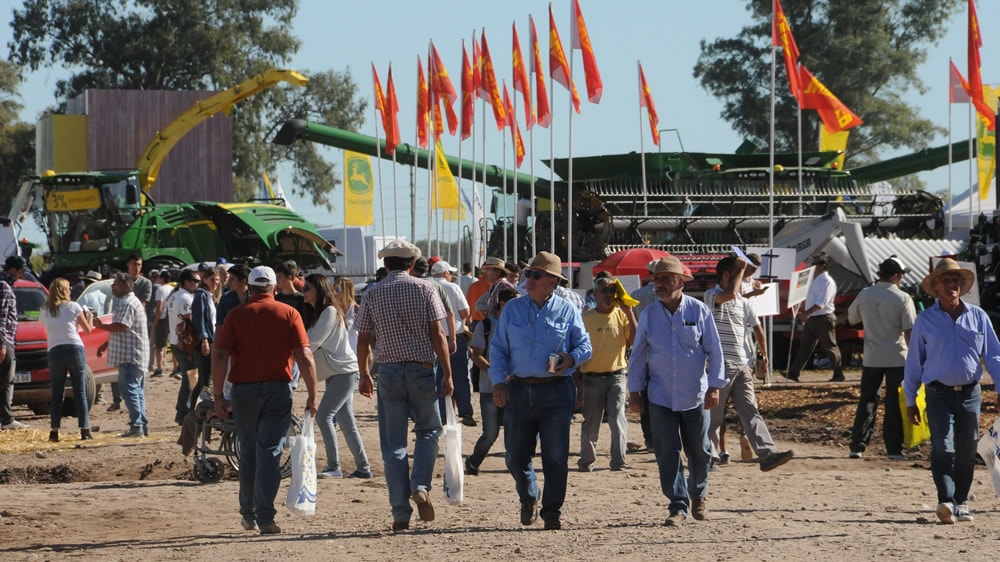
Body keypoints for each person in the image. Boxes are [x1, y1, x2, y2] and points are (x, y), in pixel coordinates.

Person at [489, 251, 592, 531]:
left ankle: (552, 512)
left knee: (556, 456)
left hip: (557, 392)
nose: (529, 279)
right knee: (514, 455)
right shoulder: (512, 309)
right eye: (528, 274)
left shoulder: (568, 310)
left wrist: (571, 359)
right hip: (519, 390)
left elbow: (585, 347)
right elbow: (498, 349)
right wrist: (498, 382)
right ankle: (529, 495)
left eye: (536, 275)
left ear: (553, 282)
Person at [211, 265, 318, 536]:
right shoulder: (289, 313)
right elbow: (304, 357)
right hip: (278, 390)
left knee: (247, 452)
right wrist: (314, 394)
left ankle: (248, 514)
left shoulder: (236, 315)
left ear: (250, 285)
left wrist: (218, 396)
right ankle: (266, 518)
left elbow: (220, 355)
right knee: (270, 452)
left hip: (244, 392)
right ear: (273, 286)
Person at [355, 239, 453, 532]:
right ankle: (420, 485)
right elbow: (438, 333)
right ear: (411, 263)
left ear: (385, 264)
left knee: (393, 444)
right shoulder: (426, 288)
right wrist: (447, 374)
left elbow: (363, 339)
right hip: (422, 368)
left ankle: (400, 512)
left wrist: (364, 373)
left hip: (387, 371)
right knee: (429, 430)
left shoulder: (372, 292)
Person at [627, 256, 724, 527]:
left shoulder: (698, 311)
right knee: (667, 452)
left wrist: (715, 385)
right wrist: (635, 392)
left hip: (695, 395)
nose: (659, 284)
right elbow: (638, 355)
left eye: (665, 279)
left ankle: (699, 494)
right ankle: (677, 505)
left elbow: (714, 350)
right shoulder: (649, 314)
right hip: (660, 396)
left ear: (680, 281)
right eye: (656, 279)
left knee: (700, 451)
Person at [904, 258, 1000, 524]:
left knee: (967, 451)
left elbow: (994, 356)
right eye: (945, 280)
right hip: (937, 394)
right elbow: (914, 363)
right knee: (942, 449)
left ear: (961, 285)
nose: (951, 285)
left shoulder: (979, 317)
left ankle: (962, 501)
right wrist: (911, 400)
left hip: (971, 393)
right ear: (936, 287)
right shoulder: (925, 321)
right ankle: (946, 500)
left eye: (955, 280)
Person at [704, 256, 794, 472]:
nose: (745, 277)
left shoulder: (744, 303)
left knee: (751, 411)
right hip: (720, 364)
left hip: (742, 364)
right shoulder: (712, 295)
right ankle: (708, 457)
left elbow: (757, 328)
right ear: (726, 275)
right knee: (713, 416)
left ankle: (766, 454)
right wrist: (741, 271)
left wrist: (763, 354)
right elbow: (730, 294)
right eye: (740, 274)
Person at [303, 274, 372, 480]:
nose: (303, 291)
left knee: (324, 416)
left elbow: (311, 342)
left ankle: (334, 466)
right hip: (338, 373)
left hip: (345, 372)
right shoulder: (320, 312)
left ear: (319, 289)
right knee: (347, 422)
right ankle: (363, 467)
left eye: (307, 288)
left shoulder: (330, 311)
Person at [847, 256, 916, 460]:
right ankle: (894, 448)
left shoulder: (865, 294)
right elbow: (909, 331)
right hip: (897, 357)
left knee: (867, 400)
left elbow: (852, 318)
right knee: (894, 403)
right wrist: (916, 358)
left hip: (872, 357)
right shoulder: (903, 298)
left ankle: (857, 445)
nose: (903, 278)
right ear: (895, 275)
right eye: (902, 274)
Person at [577, 275, 636, 472]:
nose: (608, 295)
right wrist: (578, 385)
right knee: (591, 421)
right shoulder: (585, 318)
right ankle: (586, 460)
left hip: (617, 376)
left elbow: (634, 339)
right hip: (592, 377)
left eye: (612, 291)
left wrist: (628, 311)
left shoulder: (621, 315)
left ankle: (618, 461)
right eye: (604, 290)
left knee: (618, 419)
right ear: (595, 293)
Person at [465, 288, 519, 476]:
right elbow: (476, 354)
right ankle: (473, 462)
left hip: (515, 386)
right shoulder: (486, 325)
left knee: (513, 432)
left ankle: (516, 467)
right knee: (490, 434)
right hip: (490, 387)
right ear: (502, 304)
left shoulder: (519, 324)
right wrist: (494, 371)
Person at [94, 273, 150, 438]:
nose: (113, 287)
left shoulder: (127, 302)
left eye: (116, 284)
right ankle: (140, 425)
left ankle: (137, 426)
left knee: (130, 391)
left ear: (126, 286)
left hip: (130, 356)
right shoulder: (126, 302)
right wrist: (105, 344)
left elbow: (121, 326)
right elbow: (124, 329)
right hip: (132, 354)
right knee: (136, 391)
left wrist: (99, 326)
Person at [41, 278, 94, 442]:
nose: (71, 290)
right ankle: (84, 429)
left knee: (57, 392)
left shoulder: (45, 309)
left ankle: (54, 430)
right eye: (69, 288)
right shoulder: (74, 307)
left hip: (55, 350)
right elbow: (88, 330)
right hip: (74, 348)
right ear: (65, 290)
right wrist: (90, 317)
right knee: (80, 391)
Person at [786, 255, 844, 382]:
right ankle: (794, 372)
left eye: (815, 264)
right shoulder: (814, 279)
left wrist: (806, 313)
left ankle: (838, 374)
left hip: (824, 318)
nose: (812, 266)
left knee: (830, 346)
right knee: (804, 347)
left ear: (822, 265)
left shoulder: (827, 281)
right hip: (813, 318)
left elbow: (821, 302)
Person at [430, 260, 474, 426]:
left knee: (438, 376)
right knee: (460, 375)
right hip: (454, 336)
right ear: (446, 273)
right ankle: (465, 410)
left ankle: (442, 412)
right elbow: (465, 311)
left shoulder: (427, 285)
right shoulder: (453, 287)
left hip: (434, 337)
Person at [628, 260, 660, 453]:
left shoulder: (637, 296)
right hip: (664, 354)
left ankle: (650, 439)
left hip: (644, 352)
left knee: (645, 399)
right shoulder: (671, 296)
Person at [187, 265, 220, 414]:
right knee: (206, 379)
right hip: (204, 341)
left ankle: (191, 409)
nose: (215, 283)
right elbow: (199, 319)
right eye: (212, 279)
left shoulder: (210, 295)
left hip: (212, 339)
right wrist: (204, 339)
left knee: (204, 379)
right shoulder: (201, 294)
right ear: (205, 280)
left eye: (217, 280)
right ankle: (199, 409)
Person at [169, 269, 199, 424]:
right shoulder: (187, 298)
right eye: (196, 281)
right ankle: (183, 412)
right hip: (186, 344)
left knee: (188, 379)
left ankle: (181, 409)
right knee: (190, 379)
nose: (198, 284)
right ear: (187, 282)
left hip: (176, 342)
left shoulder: (174, 295)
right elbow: (191, 319)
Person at [0, 255, 25, 430]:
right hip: (4, 340)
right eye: (21, 271)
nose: (22, 275)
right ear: (13, 270)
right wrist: (2, 344)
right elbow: (1, 318)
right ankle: (7, 419)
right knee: (5, 380)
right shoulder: (4, 287)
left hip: (7, 340)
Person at [150, 270, 172, 378]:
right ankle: (175, 367)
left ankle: (159, 368)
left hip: (163, 318)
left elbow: (159, 306)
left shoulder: (160, 289)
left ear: (162, 278)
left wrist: (156, 320)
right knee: (172, 343)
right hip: (171, 318)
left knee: (158, 346)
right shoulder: (172, 288)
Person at [216, 264, 250, 329]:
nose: (229, 281)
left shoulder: (254, 298)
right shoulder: (225, 298)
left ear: (243, 281)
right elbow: (219, 324)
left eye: (232, 279)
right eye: (229, 278)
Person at [333, 277, 360, 356]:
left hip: (354, 354)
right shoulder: (333, 310)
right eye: (333, 289)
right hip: (338, 354)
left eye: (337, 289)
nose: (334, 292)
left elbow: (364, 333)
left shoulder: (356, 309)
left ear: (346, 291)